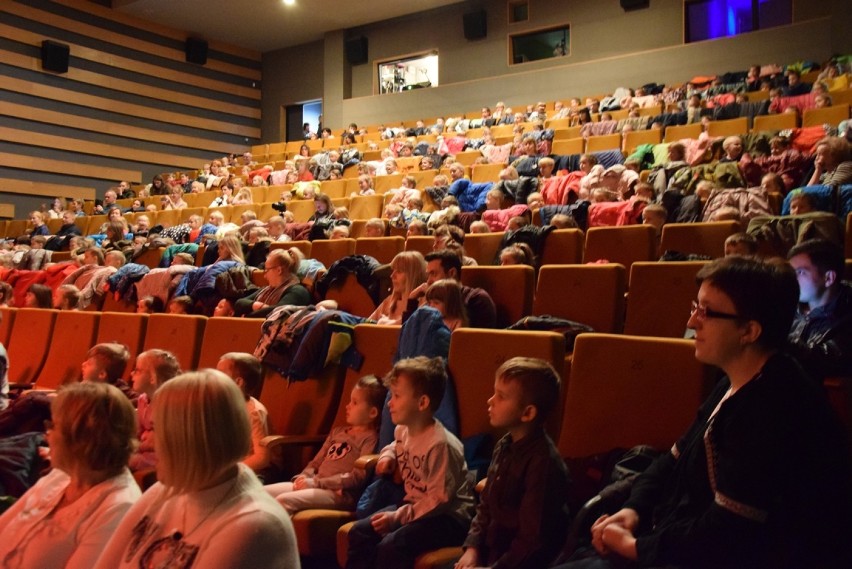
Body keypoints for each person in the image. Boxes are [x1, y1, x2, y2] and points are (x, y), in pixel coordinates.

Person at [554, 256, 851, 569]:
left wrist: (635, 547)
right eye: (694, 307)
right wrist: (633, 510)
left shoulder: (775, 405)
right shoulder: (734, 379)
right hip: (680, 542)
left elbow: (729, 529)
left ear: (749, 331)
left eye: (706, 311)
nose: (692, 322)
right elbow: (671, 460)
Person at [95, 370, 300, 569]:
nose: (149, 443)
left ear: (193, 438)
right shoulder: (163, 492)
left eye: (159, 430)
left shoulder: (254, 525)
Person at [346, 356, 474, 569]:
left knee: (391, 545)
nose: (389, 402)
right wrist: (388, 455)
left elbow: (439, 500)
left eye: (396, 396)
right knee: (359, 532)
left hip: (449, 518)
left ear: (422, 402)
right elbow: (396, 445)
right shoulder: (403, 430)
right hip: (415, 505)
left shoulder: (440, 445)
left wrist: (398, 517)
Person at [0, 382, 140, 568]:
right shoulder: (61, 476)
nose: (46, 434)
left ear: (80, 439)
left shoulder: (118, 507)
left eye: (53, 426)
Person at [455, 357, 570, 569]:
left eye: (501, 396)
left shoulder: (543, 463)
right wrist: (472, 549)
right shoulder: (504, 445)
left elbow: (532, 541)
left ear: (528, 413)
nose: (490, 400)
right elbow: (486, 505)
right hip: (490, 552)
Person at [265, 375, 386, 514]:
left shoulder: (370, 439)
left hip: (340, 493)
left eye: (355, 403)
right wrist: (304, 476)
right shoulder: (337, 432)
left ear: (372, 412)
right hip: (316, 483)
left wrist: (317, 483)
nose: (347, 406)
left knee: (283, 500)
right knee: (260, 493)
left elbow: (357, 477)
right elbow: (316, 462)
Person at [787, 239, 852, 380]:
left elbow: (828, 359)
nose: (791, 279)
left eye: (800, 272)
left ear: (828, 278)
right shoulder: (787, 305)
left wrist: (771, 339)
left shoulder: (846, 313)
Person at [407, 249, 497, 329]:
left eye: (433, 274)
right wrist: (412, 300)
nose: (428, 281)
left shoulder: (476, 299)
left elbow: (478, 341)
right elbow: (408, 336)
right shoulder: (430, 302)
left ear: (452, 273)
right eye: (428, 275)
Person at [128, 349, 182, 471]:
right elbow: (138, 431)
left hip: (160, 457)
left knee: (121, 461)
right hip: (143, 450)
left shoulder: (169, 404)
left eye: (137, 370)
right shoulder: (142, 399)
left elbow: (164, 443)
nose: (131, 374)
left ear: (153, 378)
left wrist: (138, 446)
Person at [215, 352, 269, 472]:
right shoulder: (221, 405)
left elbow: (262, 458)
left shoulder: (253, 412)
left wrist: (227, 471)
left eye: (220, 374)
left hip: (255, 470)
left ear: (238, 382)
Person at [233, 247, 311, 318]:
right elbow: (239, 304)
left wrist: (247, 315)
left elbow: (277, 313)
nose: (265, 276)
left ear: (278, 270)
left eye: (267, 270)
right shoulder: (267, 289)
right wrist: (258, 306)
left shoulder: (298, 291)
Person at [369, 251, 427, 325]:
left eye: (399, 271)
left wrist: (386, 323)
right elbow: (367, 326)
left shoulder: (424, 303)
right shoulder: (389, 301)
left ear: (412, 276)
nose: (392, 276)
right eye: (393, 270)